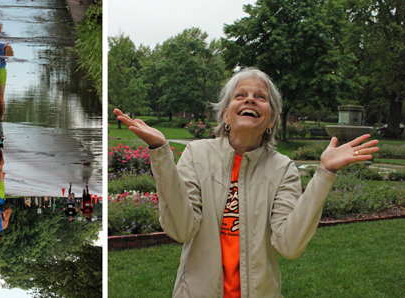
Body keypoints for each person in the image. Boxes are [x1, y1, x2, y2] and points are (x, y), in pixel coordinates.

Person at [114, 67, 379, 298]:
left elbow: (289, 245)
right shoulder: (197, 155)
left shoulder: (282, 169)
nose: (250, 99)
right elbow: (181, 229)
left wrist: (324, 173)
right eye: (240, 95)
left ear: (271, 120)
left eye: (260, 97)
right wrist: (161, 151)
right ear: (226, 115)